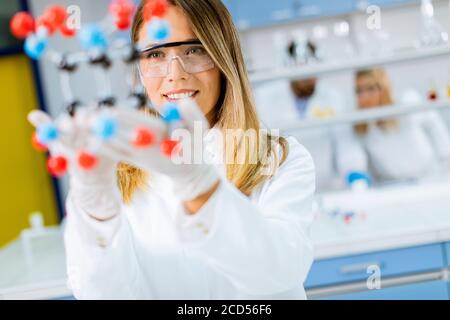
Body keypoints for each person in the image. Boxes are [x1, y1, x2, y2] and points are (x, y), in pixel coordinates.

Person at [28, 0, 316, 299]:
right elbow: (101, 294)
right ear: (138, 69)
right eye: (155, 54)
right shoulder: (111, 171)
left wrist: (203, 190)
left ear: (224, 58)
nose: (175, 74)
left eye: (194, 50)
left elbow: (282, 272)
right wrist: (97, 212)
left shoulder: (278, 159)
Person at [254, 77, 356, 191]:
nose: (310, 80)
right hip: (284, 186)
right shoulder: (266, 97)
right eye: (304, 77)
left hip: (325, 185)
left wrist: (355, 171)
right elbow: (263, 148)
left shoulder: (332, 96)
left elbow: (345, 143)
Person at [352, 68, 450, 182]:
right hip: (394, 188)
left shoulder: (406, 104)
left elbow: (437, 131)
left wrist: (446, 162)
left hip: (432, 178)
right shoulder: (361, 127)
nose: (364, 96)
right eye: (359, 91)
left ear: (384, 88)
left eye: (370, 89)